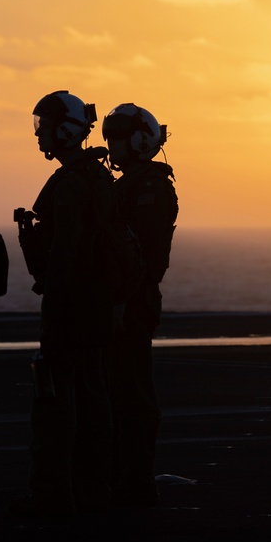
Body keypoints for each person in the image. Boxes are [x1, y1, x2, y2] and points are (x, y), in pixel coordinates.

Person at [12, 90, 116, 517]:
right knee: (93, 399)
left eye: (45, 126)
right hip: (96, 307)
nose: (39, 135)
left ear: (66, 129)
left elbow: (66, 254)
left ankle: (51, 497)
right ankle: (93, 494)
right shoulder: (98, 177)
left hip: (69, 308)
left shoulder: (72, 183)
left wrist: (52, 310)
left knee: (54, 404)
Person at [101, 103, 178, 507]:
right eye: (109, 137)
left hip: (133, 303)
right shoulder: (128, 183)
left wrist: (121, 302)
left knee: (133, 393)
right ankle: (120, 476)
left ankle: (137, 480)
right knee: (117, 392)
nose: (113, 145)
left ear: (141, 138)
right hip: (120, 302)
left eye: (119, 137)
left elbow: (143, 258)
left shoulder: (150, 188)